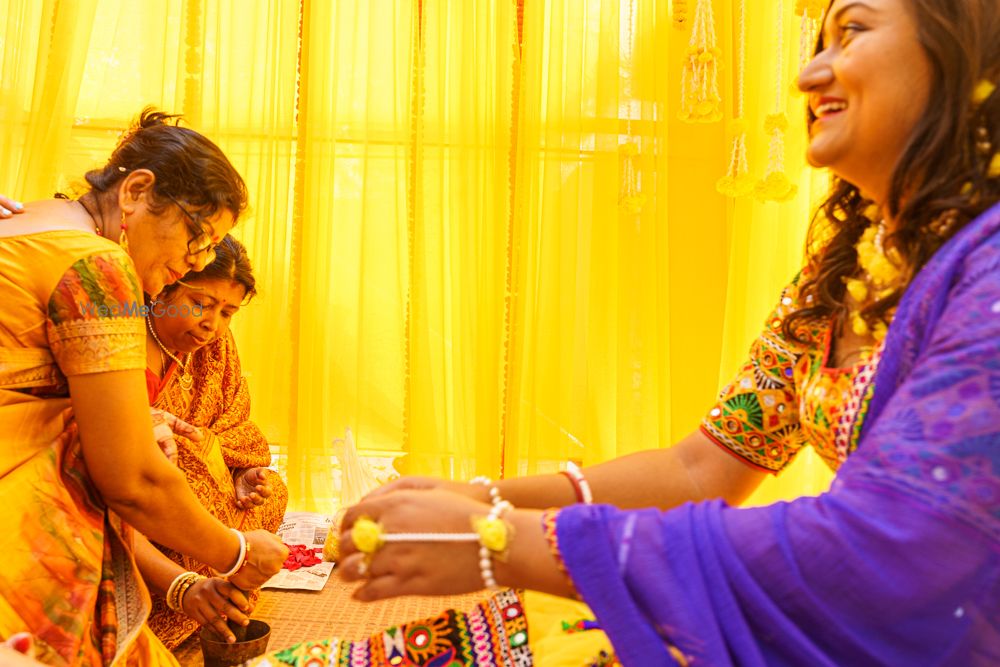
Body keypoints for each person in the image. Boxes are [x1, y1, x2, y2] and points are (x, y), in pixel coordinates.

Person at [255, 0, 999, 665]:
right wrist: (479, 497)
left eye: (852, 32)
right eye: (817, 42)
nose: (810, 73)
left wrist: (499, 539)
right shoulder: (838, 279)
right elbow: (700, 469)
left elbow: (881, 551)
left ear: (962, 51)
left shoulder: (989, 276)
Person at [0, 108, 288, 666]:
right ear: (135, 190)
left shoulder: (26, 222)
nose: (191, 265)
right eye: (196, 237)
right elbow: (131, 479)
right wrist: (233, 551)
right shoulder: (96, 264)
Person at [141, 235, 290, 649]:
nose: (213, 324)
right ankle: (192, 590)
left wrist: (239, 472)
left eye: (228, 312)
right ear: (163, 287)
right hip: (144, 505)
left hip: (210, 496)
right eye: (201, 303)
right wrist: (193, 459)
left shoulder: (215, 346)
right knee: (186, 467)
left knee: (272, 491)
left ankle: (217, 583)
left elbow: (234, 422)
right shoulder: (123, 341)